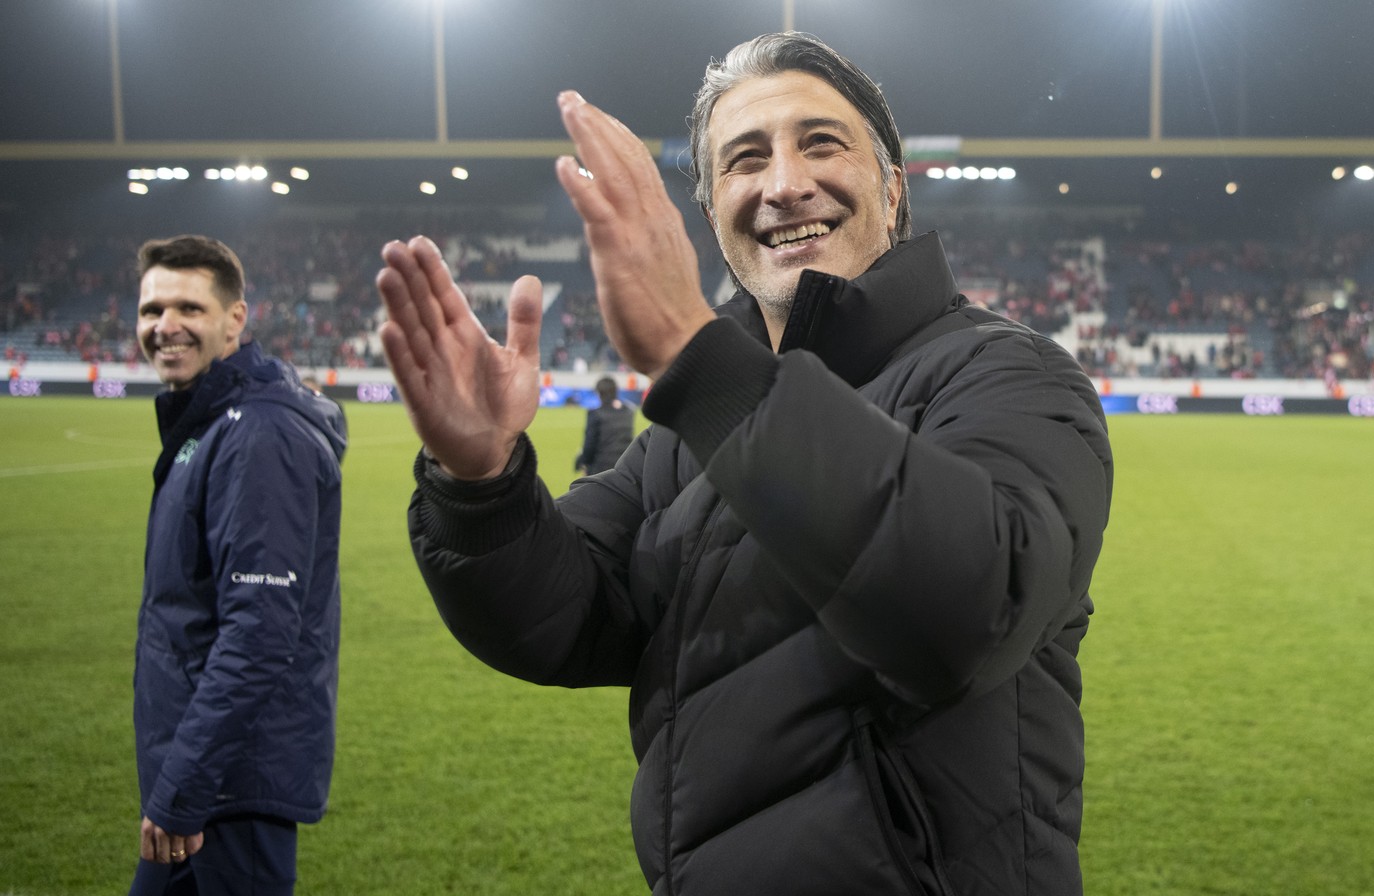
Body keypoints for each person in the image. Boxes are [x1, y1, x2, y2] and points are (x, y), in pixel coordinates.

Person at [376, 32, 1112, 896]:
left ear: (894, 188)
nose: (784, 182)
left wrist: (697, 359)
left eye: (822, 143)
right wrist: (482, 481)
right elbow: (563, 617)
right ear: (712, 210)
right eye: (744, 159)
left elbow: (967, 614)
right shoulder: (685, 438)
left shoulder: (1007, 373)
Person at [130, 235, 347, 895]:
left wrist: (187, 784)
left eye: (189, 309)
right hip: (206, 776)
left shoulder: (258, 435)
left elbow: (258, 633)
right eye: (151, 310)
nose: (165, 326)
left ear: (234, 320)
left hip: (230, 783)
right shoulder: (212, 423)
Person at [573, 375, 635, 475]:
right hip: (624, 466)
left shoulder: (596, 414)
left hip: (601, 468)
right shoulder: (628, 412)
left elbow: (590, 445)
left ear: (599, 393)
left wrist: (582, 462)